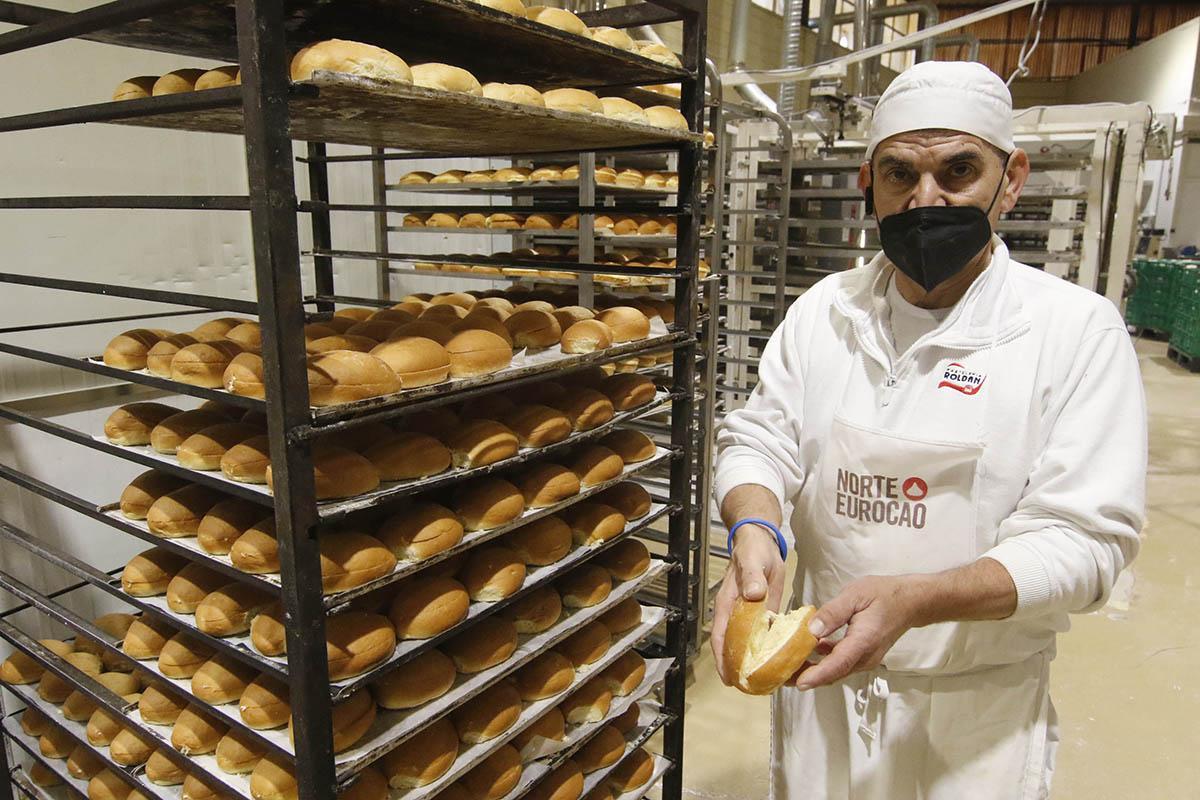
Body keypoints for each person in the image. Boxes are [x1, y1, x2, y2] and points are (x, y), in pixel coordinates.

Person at [710, 61, 1146, 799]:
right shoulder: (825, 311)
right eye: (900, 174)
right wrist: (757, 530)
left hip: (971, 716)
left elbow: (1088, 542)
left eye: (958, 170)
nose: (926, 199)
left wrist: (919, 599)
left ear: (1011, 181)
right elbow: (760, 437)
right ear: (867, 186)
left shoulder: (1074, 332)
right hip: (821, 693)